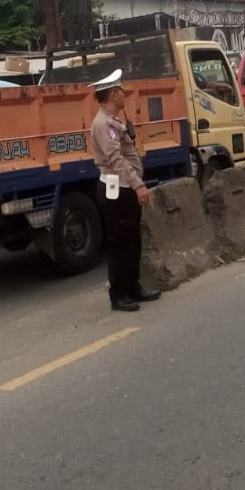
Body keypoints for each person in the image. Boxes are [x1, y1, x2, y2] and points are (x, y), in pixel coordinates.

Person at [89, 69, 159, 314]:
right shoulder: (104, 124)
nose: (125, 95)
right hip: (115, 189)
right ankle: (118, 294)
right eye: (122, 92)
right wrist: (138, 184)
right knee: (119, 243)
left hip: (125, 188)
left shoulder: (114, 121)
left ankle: (133, 286)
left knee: (132, 240)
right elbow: (116, 159)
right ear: (114, 94)